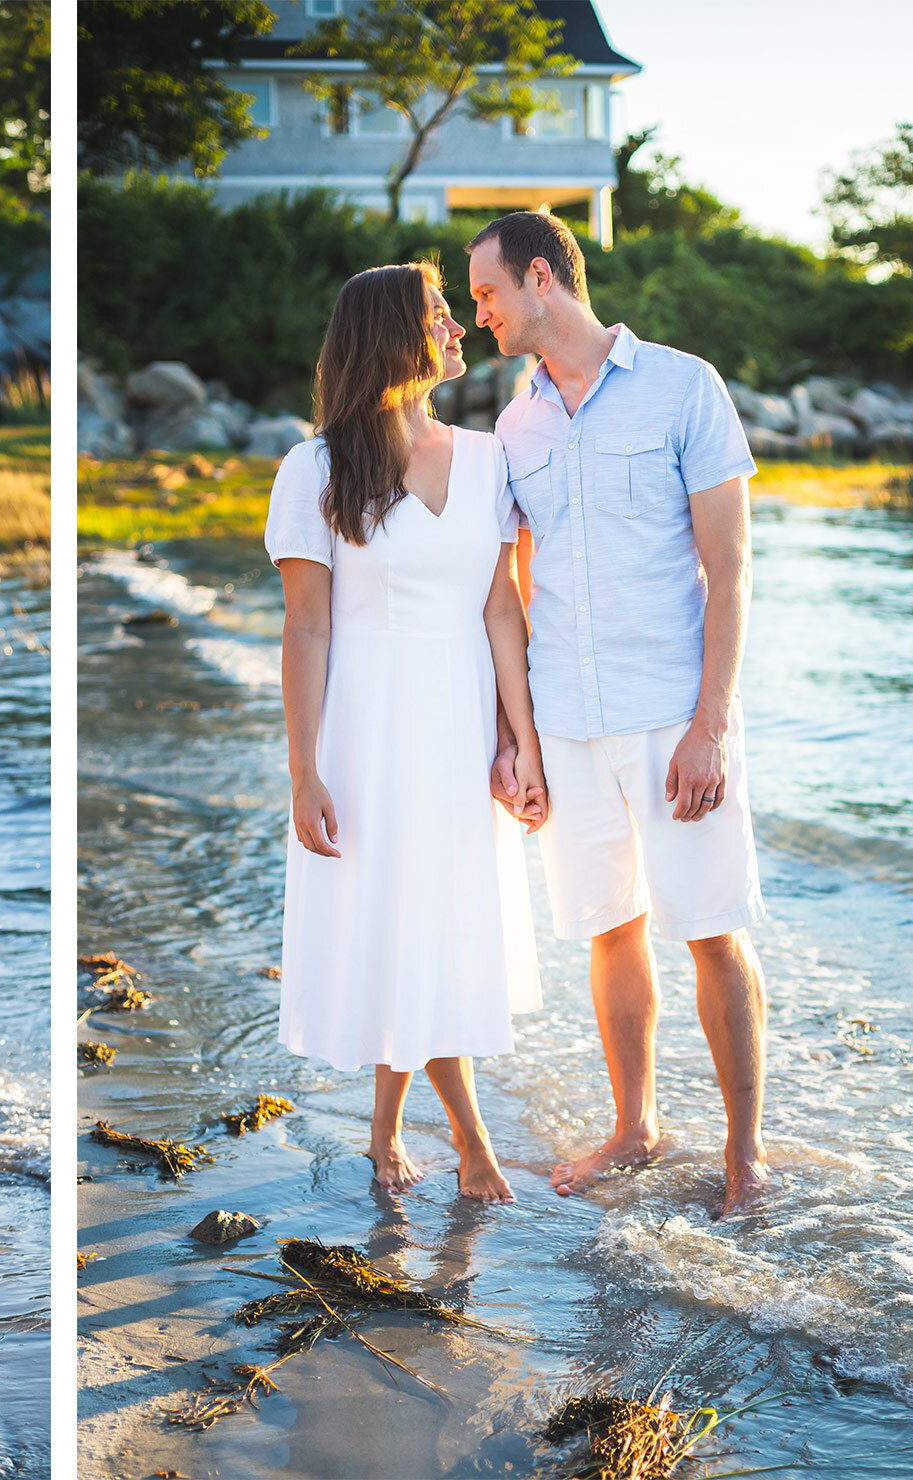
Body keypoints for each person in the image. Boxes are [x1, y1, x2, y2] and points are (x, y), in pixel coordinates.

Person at [469, 210, 770, 1215]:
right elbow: (508, 588)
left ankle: (742, 1154)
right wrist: (514, 739)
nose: (479, 316)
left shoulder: (683, 386)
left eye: (486, 293)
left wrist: (707, 724)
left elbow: (727, 571)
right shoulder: (512, 426)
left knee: (711, 927)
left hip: (667, 714)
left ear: (540, 277)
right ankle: (634, 1124)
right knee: (608, 927)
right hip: (565, 719)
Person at [265, 261, 547, 1204]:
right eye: (438, 315)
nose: (460, 327)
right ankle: (473, 1145)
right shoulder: (315, 469)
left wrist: (522, 742)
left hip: (461, 724)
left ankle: (387, 1132)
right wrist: (304, 771)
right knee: (403, 930)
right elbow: (306, 627)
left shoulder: (485, 458)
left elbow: (503, 608)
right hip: (367, 731)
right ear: (393, 337)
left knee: (435, 931)